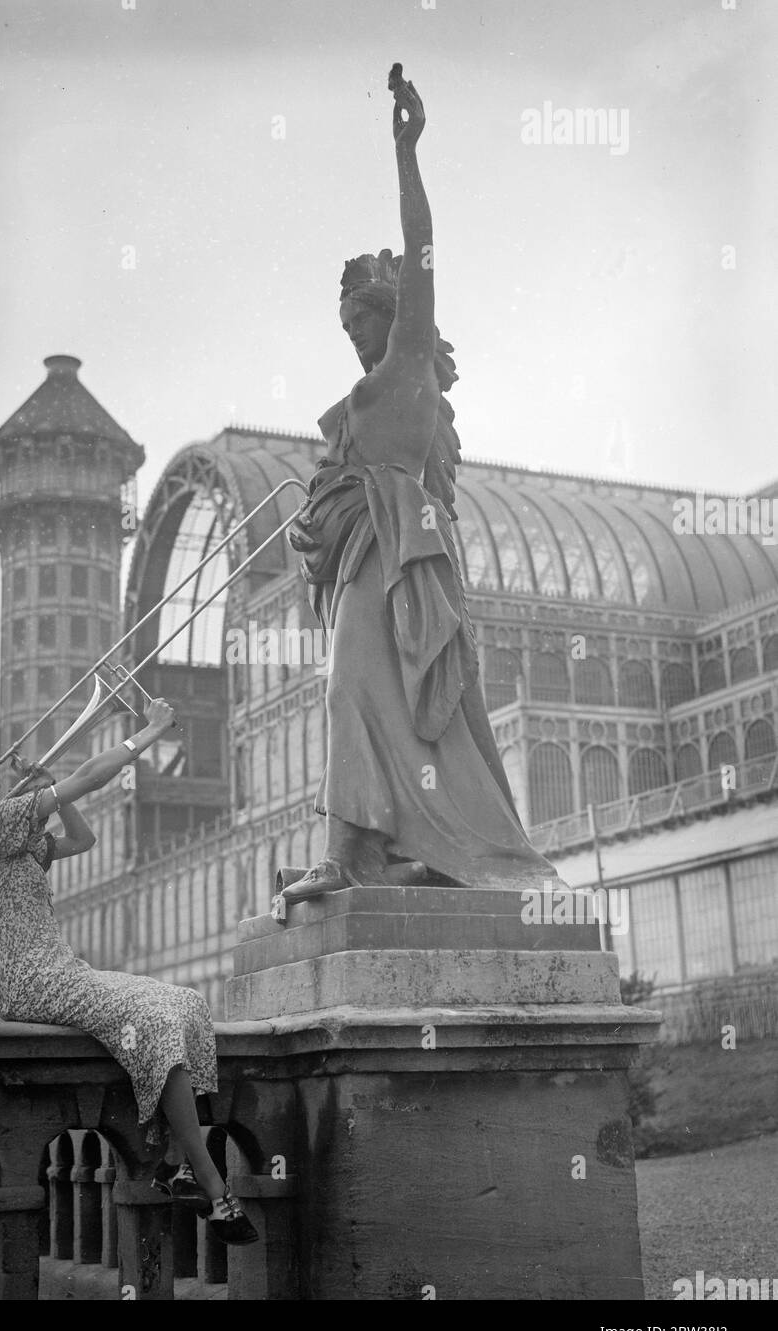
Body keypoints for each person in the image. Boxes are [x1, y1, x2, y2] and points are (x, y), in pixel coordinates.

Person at [283, 65, 565, 904]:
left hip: (401, 556)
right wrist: (314, 530)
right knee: (370, 699)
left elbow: (422, 251)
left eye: (360, 319)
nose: (352, 336)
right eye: (345, 328)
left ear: (392, 313)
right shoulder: (364, 392)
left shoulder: (405, 369)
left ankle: (353, 855)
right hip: (362, 560)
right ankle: (378, 850)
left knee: (351, 690)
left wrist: (407, 152)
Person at [0, 696, 257, 1246]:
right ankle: (212, 1185)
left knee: (185, 1001)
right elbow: (90, 778)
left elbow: (81, 841)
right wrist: (151, 732)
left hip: (57, 970)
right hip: (35, 978)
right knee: (157, 1016)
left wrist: (48, 788)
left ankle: (177, 1166)